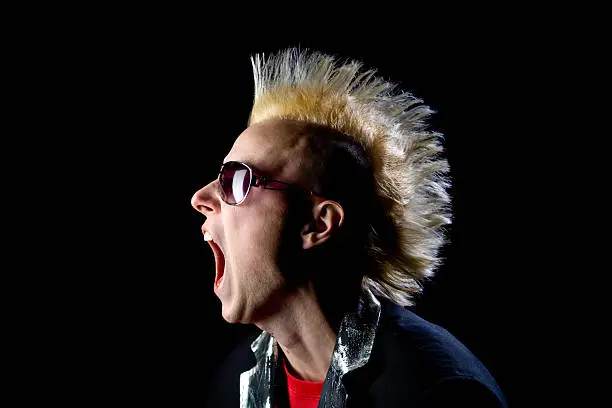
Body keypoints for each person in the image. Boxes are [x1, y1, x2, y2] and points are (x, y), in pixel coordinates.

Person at [191, 48, 508, 408]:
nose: (200, 197)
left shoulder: (438, 393)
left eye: (236, 180)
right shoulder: (234, 384)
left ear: (318, 223)